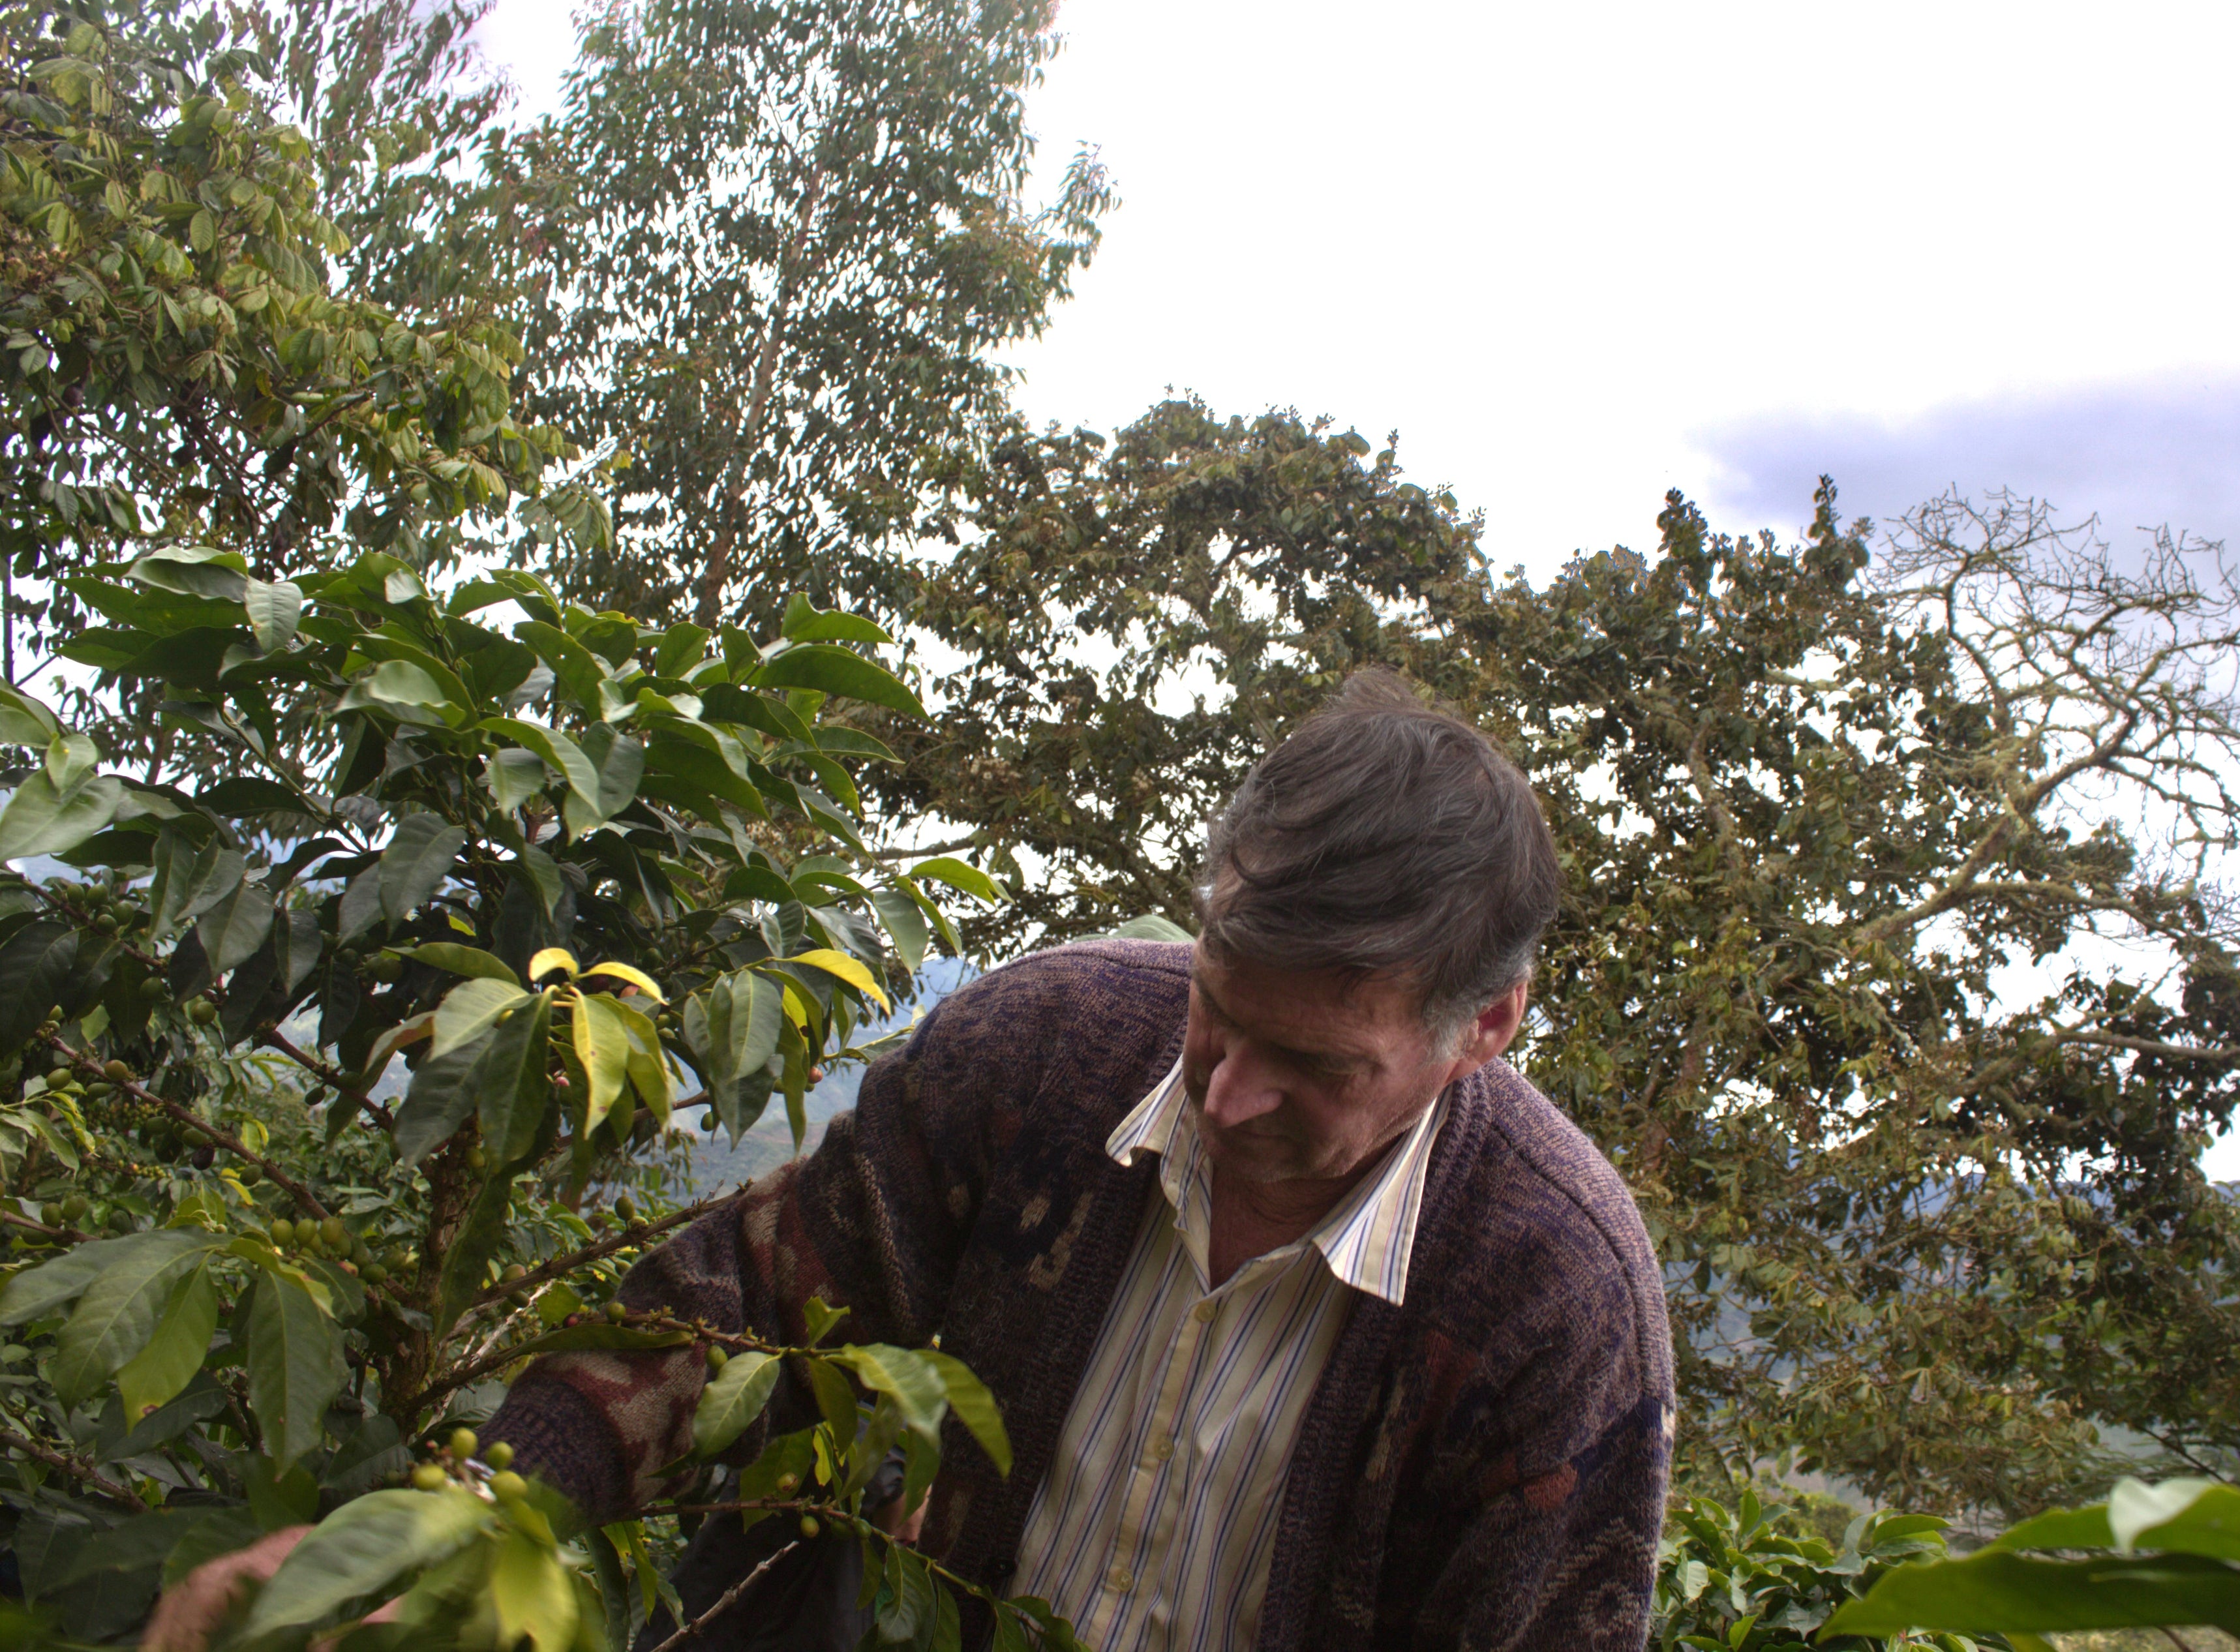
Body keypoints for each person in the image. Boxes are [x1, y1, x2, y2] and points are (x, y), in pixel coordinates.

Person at [168, 671, 1674, 1652]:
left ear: (1487, 1025)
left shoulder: (1555, 1297)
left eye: (1320, 1068)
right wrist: (448, 1526)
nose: (1225, 1094)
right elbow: (743, 1305)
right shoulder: (1047, 1052)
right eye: (1218, 1012)